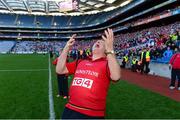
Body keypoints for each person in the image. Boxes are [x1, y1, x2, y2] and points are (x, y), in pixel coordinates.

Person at [56, 28, 121, 119]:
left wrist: (110, 49)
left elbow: (116, 76)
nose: (98, 42)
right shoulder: (80, 62)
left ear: (106, 49)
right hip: (70, 108)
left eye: (102, 43)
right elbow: (59, 70)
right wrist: (66, 48)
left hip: (92, 114)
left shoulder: (107, 64)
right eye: (96, 42)